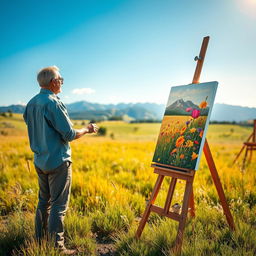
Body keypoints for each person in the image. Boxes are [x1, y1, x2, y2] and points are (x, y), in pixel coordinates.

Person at [23, 66, 98, 255]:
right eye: (61, 80)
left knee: (43, 202)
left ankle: (39, 242)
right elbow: (69, 134)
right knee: (58, 204)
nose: (62, 83)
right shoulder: (53, 103)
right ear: (53, 82)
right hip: (58, 161)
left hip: (40, 161)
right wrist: (87, 130)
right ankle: (57, 247)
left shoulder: (31, 103)